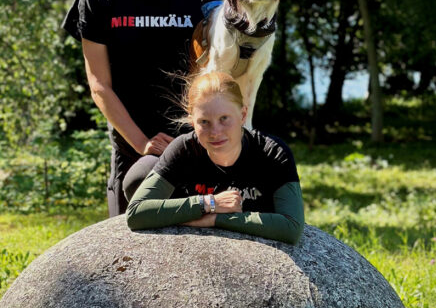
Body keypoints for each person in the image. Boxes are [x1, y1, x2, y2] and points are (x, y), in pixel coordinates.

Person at [62, 0, 218, 216]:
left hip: (193, 145)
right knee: (127, 258)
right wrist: (142, 143)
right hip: (131, 149)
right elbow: (99, 85)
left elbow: (216, 77)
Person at [126, 72, 304, 244]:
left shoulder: (272, 152)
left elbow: (291, 227)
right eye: (204, 122)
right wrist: (208, 203)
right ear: (192, 121)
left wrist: (215, 219)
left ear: (242, 115)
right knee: (139, 175)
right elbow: (136, 213)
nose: (215, 132)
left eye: (224, 118)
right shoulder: (184, 149)